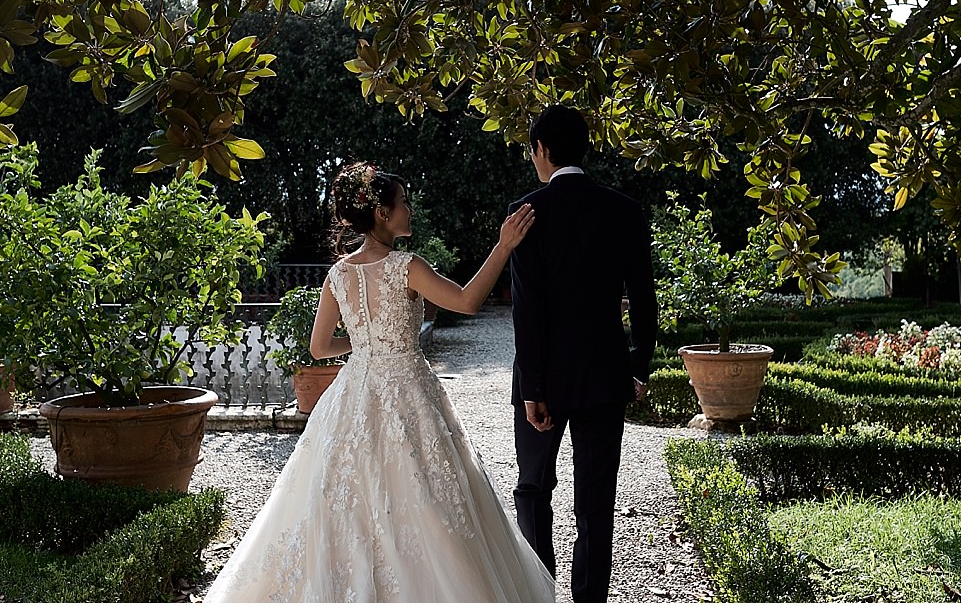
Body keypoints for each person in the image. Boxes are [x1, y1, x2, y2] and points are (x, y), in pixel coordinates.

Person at [204, 161, 556, 603]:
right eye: (404, 202)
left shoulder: (337, 275)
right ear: (383, 213)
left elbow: (319, 348)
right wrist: (503, 247)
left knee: (344, 498)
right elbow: (467, 301)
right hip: (408, 387)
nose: (410, 209)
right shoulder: (405, 266)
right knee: (426, 496)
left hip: (355, 390)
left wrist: (365, 347)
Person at [508, 105, 658, 603]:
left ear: (543, 150)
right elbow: (643, 296)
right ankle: (590, 599)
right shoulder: (624, 209)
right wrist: (637, 367)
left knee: (533, 490)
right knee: (597, 502)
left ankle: (539, 591)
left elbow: (527, 309)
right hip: (603, 376)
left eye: (532, 151)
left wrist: (532, 388)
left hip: (542, 380)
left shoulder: (526, 212)